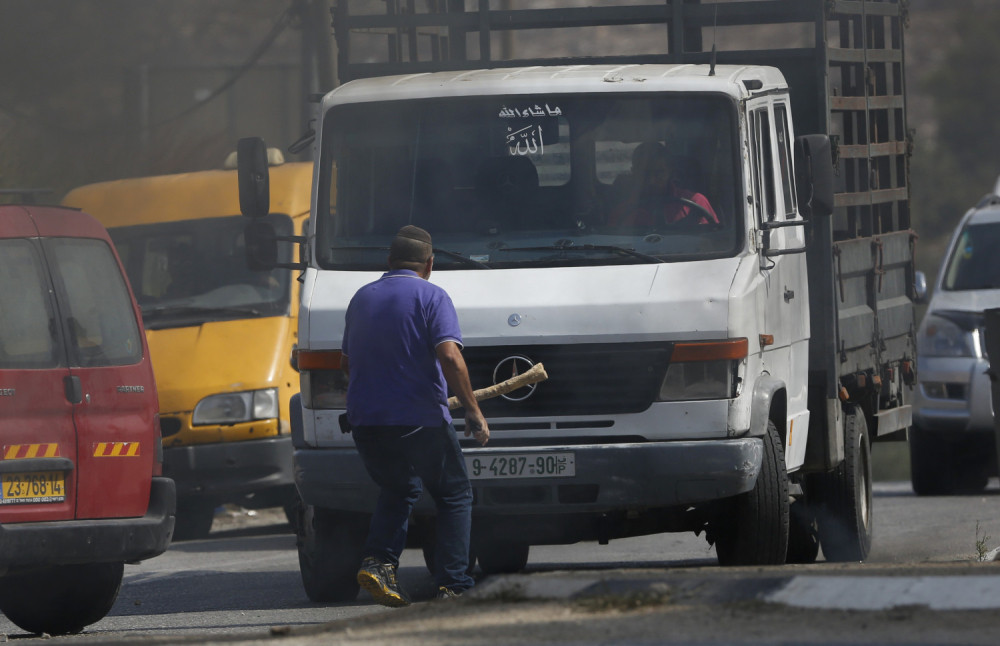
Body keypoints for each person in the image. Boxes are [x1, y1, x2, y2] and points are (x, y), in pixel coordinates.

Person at [340, 224, 490, 606]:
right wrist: (472, 410)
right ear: (429, 264)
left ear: (388, 262)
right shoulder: (432, 296)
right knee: (455, 494)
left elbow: (347, 363)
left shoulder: (361, 298)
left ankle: (378, 564)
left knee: (399, 487)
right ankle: (453, 585)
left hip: (366, 421)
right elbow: (451, 357)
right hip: (419, 419)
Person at [608, 141, 719, 228]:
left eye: (659, 173)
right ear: (634, 172)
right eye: (644, 173)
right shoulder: (621, 212)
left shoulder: (696, 203)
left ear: (670, 171)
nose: (651, 180)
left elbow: (712, 241)